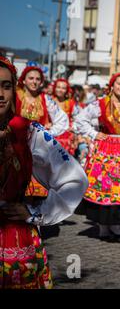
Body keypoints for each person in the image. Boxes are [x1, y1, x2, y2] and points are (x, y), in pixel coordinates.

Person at [0, 56, 88, 289]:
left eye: (6, 86)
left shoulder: (30, 133)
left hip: (13, 233)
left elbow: (74, 179)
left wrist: (36, 212)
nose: (0, 93)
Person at [75, 73, 120, 242]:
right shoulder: (100, 104)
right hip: (105, 149)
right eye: (119, 84)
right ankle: (103, 226)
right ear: (112, 86)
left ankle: (116, 225)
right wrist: (93, 133)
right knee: (104, 188)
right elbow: (80, 119)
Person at [16, 66, 69, 199]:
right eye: (31, 78)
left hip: (38, 149)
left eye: (38, 79)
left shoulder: (46, 100)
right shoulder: (15, 96)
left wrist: (48, 132)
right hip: (15, 146)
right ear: (23, 80)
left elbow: (62, 120)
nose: (34, 82)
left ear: (41, 82)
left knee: (37, 193)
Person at [52, 78, 79, 156]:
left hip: (66, 136)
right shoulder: (48, 101)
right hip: (51, 135)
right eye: (58, 87)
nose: (60, 90)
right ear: (54, 88)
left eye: (63, 88)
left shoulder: (71, 103)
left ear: (67, 90)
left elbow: (76, 119)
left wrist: (73, 127)